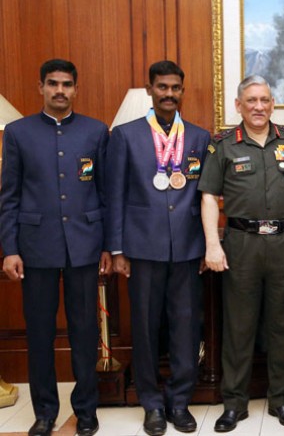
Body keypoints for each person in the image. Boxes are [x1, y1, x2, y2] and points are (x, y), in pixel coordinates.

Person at [198, 75, 284, 432]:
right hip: (241, 243)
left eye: (265, 100)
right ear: (239, 105)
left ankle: (280, 400)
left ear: (272, 103)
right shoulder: (223, 145)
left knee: (283, 324)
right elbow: (209, 197)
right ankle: (234, 403)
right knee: (239, 325)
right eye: (251, 100)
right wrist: (212, 244)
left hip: (283, 241)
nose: (259, 106)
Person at [0, 59, 109, 436]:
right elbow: (9, 197)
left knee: (85, 332)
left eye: (66, 84)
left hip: (85, 245)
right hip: (35, 247)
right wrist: (10, 249)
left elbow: (106, 193)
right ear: (41, 87)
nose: (59, 90)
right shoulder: (18, 132)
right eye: (52, 83)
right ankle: (45, 412)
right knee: (40, 333)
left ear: (76, 89)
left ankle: (87, 410)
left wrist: (108, 246)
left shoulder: (96, 131)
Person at [106, 60, 210, 436]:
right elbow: (115, 194)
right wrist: (117, 249)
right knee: (145, 328)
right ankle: (151, 403)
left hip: (188, 248)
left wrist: (208, 246)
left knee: (186, 328)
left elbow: (207, 196)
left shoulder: (199, 137)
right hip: (141, 248)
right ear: (150, 89)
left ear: (183, 91)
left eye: (175, 88)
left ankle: (179, 402)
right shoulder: (125, 135)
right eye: (162, 87)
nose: (169, 94)